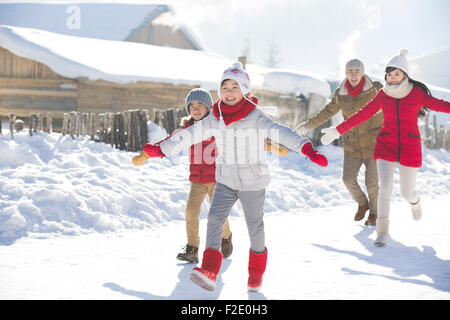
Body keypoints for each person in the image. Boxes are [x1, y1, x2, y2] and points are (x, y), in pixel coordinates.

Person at [141, 62, 328, 291]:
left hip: (253, 181)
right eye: (225, 88)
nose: (229, 93)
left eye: (235, 87)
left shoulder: (255, 117)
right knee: (214, 219)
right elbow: (190, 134)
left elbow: (280, 132)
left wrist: (306, 148)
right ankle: (209, 269)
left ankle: (256, 274)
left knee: (255, 227)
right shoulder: (215, 118)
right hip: (226, 180)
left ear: (245, 91)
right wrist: (163, 148)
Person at [320, 50, 450, 247]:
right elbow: (362, 114)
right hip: (386, 145)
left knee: (407, 193)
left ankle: (415, 201)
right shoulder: (383, 95)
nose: (392, 77)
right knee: (385, 188)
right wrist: (337, 130)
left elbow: (439, 105)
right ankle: (382, 232)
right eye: (389, 74)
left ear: (405, 75)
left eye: (396, 74)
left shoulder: (416, 93)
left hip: (409, 147)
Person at [132, 88, 233, 263]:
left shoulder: (217, 125)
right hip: (197, 180)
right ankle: (192, 249)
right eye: (191, 106)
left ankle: (225, 237)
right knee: (191, 212)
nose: (195, 109)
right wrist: (147, 154)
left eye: (200, 105)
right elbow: (168, 143)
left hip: (217, 178)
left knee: (217, 214)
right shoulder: (186, 129)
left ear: (208, 107)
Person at [296, 58, 382, 225]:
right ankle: (362, 203)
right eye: (350, 71)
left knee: (372, 182)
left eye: (357, 71)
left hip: (374, 142)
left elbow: (391, 103)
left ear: (363, 72)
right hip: (352, 143)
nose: (353, 74)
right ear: (346, 73)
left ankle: (375, 213)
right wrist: (308, 125)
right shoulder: (341, 93)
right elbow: (327, 111)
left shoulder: (376, 88)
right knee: (348, 179)